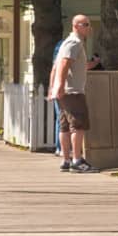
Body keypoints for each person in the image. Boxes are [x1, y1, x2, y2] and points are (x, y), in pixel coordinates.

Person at [49, 15, 99, 173]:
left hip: (63, 92)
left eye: (89, 24)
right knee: (78, 125)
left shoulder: (66, 42)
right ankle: (77, 160)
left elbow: (55, 67)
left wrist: (53, 88)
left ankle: (66, 160)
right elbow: (63, 64)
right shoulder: (75, 42)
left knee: (64, 126)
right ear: (76, 26)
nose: (88, 27)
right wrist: (61, 86)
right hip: (73, 92)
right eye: (85, 24)